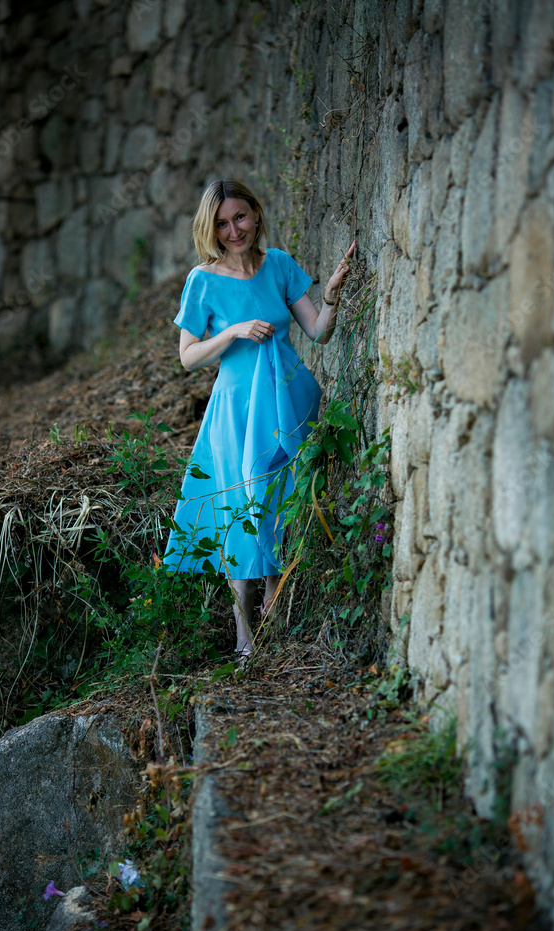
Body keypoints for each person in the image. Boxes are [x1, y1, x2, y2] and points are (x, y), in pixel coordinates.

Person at [163, 177, 355, 657]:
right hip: (237, 407)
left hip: (287, 398)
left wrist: (330, 294)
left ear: (255, 213)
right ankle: (242, 629)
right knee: (242, 504)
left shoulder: (281, 266)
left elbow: (318, 332)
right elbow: (188, 356)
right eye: (222, 223)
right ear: (211, 228)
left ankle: (273, 598)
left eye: (241, 217)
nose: (234, 231)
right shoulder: (202, 281)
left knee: (278, 494)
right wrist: (232, 332)